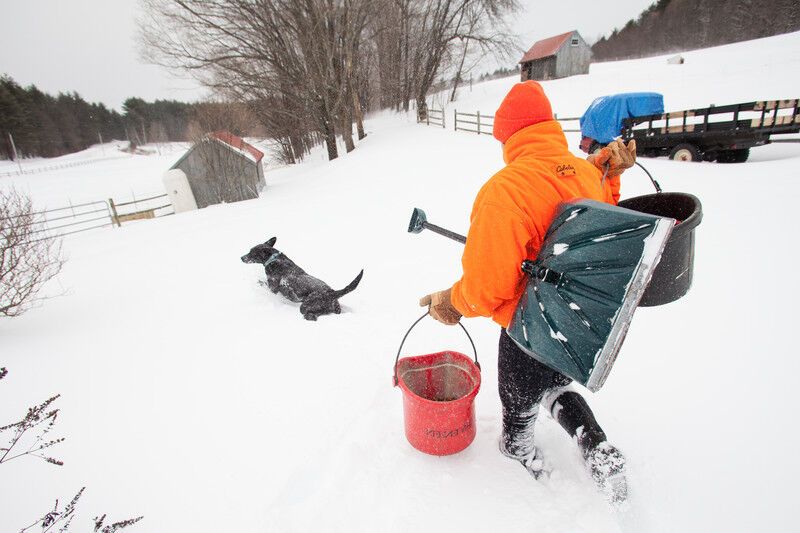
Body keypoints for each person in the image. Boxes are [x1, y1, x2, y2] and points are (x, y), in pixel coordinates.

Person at [419, 81, 636, 504]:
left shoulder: (507, 189)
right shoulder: (586, 170)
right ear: (548, 126)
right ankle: (595, 442)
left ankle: (518, 453)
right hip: (581, 317)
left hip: (531, 324)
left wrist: (452, 303)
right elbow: (603, 215)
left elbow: (487, 286)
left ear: (508, 135)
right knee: (555, 384)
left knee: (519, 399)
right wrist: (606, 171)